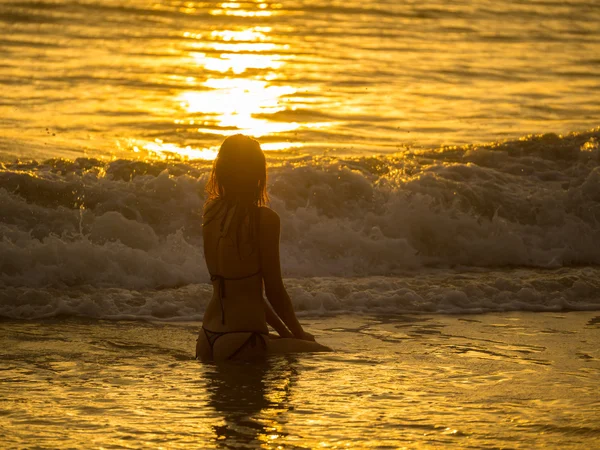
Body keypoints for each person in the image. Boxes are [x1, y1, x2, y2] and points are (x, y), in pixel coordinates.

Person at [196, 134, 331, 361]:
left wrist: (288, 334)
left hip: (207, 338)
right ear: (256, 175)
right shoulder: (264, 220)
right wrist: (300, 334)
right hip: (244, 339)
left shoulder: (211, 212)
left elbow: (248, 293)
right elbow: (275, 292)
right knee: (324, 355)